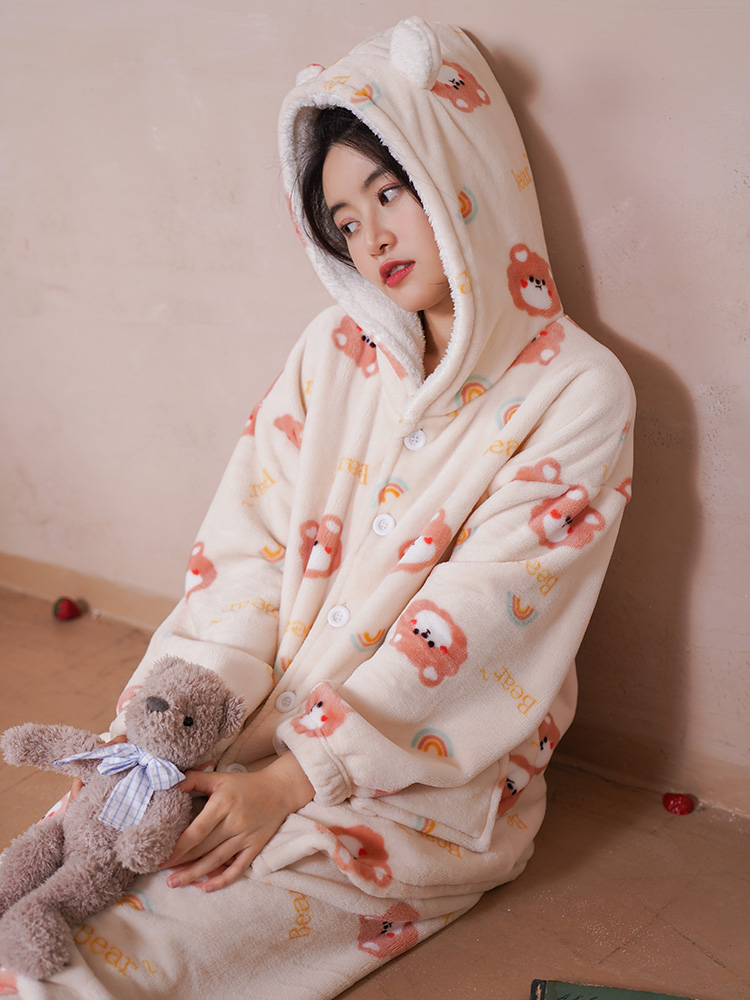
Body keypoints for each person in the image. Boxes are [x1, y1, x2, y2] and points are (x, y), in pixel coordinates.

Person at [6, 16, 635, 1000]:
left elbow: (484, 624)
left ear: (461, 176)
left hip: (411, 789)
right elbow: (247, 545)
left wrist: (298, 777)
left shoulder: (578, 392)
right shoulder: (332, 350)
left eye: (390, 192)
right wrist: (193, 710)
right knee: (57, 875)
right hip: (243, 716)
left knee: (99, 965)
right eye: (344, 219)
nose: (370, 236)